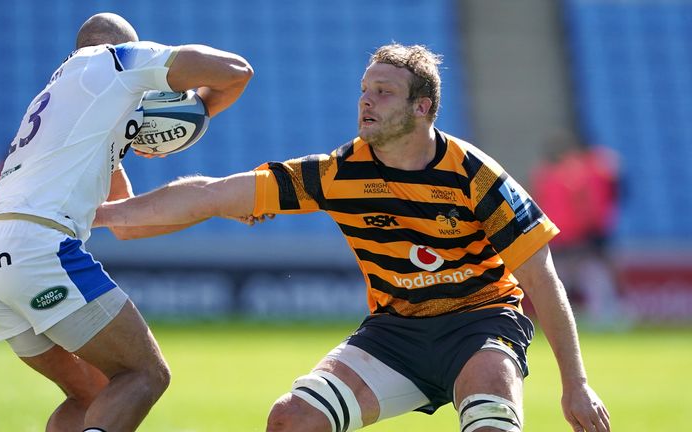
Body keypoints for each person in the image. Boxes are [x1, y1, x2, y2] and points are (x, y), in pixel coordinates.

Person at [95, 44, 610, 432]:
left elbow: (542, 279)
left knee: (490, 422)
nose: (366, 101)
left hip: (479, 322)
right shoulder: (338, 173)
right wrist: (99, 215)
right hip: (395, 332)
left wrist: (576, 384)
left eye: (383, 93)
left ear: (423, 108)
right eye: (364, 91)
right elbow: (209, 196)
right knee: (289, 420)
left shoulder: (475, 177)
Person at [0, 12, 253, 432]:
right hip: (38, 250)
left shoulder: (69, 103)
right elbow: (237, 72)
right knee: (145, 375)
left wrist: (219, 202)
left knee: (94, 395)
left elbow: (127, 221)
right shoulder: (114, 61)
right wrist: (197, 112)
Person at [530, 130, 625, 329]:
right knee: (589, 275)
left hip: (556, 235)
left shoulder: (543, 176)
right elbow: (590, 202)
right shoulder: (578, 174)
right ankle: (602, 315)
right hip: (576, 235)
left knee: (563, 278)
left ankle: (565, 318)